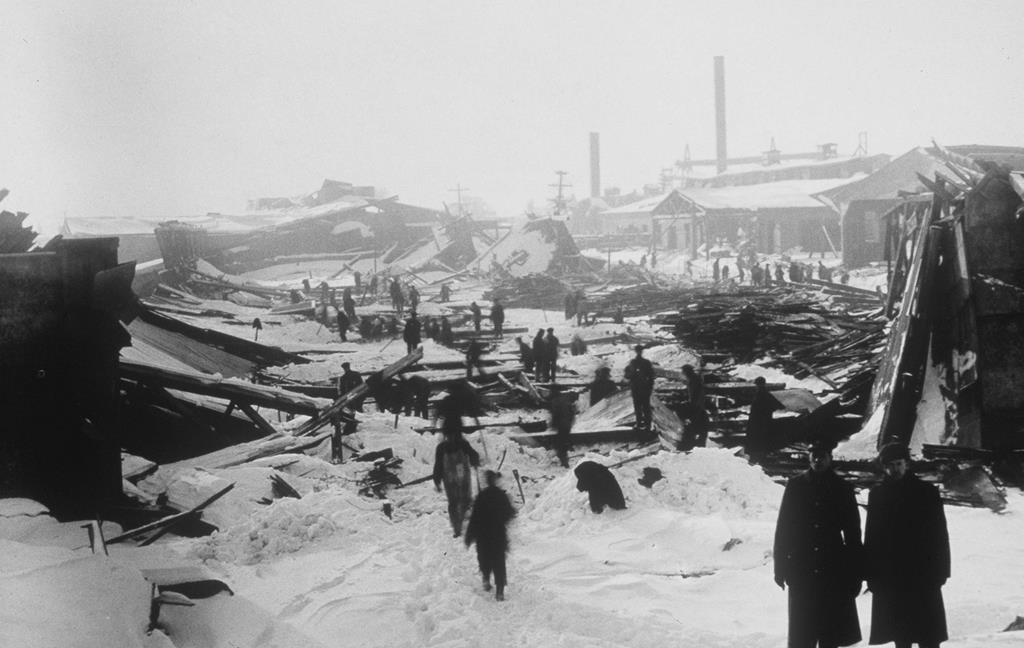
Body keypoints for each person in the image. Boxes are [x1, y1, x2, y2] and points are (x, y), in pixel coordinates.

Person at [773, 438, 863, 648]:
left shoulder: (842, 488)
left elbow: (852, 535)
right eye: (814, 455)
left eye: (822, 455)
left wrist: (856, 573)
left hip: (832, 570)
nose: (817, 459)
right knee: (802, 633)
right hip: (801, 568)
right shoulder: (796, 486)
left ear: (830, 458)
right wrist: (780, 567)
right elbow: (784, 528)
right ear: (809, 457)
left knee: (829, 633)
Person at [865, 442, 950, 648]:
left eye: (898, 464)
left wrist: (942, 571)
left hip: (923, 574)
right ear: (883, 466)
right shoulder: (877, 495)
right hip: (893, 576)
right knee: (900, 635)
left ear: (907, 464)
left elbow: (939, 534)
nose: (894, 469)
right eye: (890, 465)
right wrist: (871, 575)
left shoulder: (926, 492)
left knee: (928, 636)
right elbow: (872, 538)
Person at [465, 470, 516, 601]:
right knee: (499, 561)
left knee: (484, 559)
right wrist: (502, 520)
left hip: (483, 535)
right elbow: (510, 513)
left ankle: (486, 579)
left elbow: (474, 518)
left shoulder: (481, 497)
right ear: (495, 480)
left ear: (486, 481)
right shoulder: (502, 496)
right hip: (498, 534)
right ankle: (500, 591)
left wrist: (469, 536)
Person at [433, 429, 480, 537]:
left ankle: (462, 525)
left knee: (463, 501)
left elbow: (473, 453)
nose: (452, 438)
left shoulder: (461, 444)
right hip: (452, 479)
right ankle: (458, 528)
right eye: (450, 435)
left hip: (459, 478)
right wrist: (437, 481)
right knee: (455, 503)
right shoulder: (443, 447)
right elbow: (438, 465)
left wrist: (475, 460)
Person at [745, 376, 782, 461]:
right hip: (761, 421)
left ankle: (757, 457)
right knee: (759, 438)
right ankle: (757, 455)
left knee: (757, 438)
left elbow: (777, 406)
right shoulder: (763, 394)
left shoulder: (762, 394)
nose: (757, 386)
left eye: (757, 385)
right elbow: (777, 405)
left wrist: (765, 412)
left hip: (759, 422)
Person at [624, 345, 655, 432]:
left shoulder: (633, 362)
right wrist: (650, 387)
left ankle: (639, 423)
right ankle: (647, 424)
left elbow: (628, 376)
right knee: (646, 406)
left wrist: (628, 371)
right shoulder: (646, 362)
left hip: (636, 388)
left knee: (638, 406)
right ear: (642, 351)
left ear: (636, 351)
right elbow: (651, 376)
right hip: (644, 388)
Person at [682, 364, 708, 447]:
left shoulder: (693, 380)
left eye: (684, 372)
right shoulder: (693, 378)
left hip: (697, 405)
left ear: (687, 372)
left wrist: (692, 405)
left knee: (697, 423)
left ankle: (697, 444)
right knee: (699, 424)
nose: (683, 373)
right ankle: (698, 443)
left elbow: (694, 394)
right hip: (697, 405)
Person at [549, 385, 575, 468]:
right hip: (566, 425)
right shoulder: (564, 400)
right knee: (563, 443)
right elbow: (571, 412)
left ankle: (564, 462)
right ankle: (564, 459)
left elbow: (555, 415)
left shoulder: (555, 401)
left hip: (562, 425)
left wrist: (553, 425)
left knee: (561, 445)